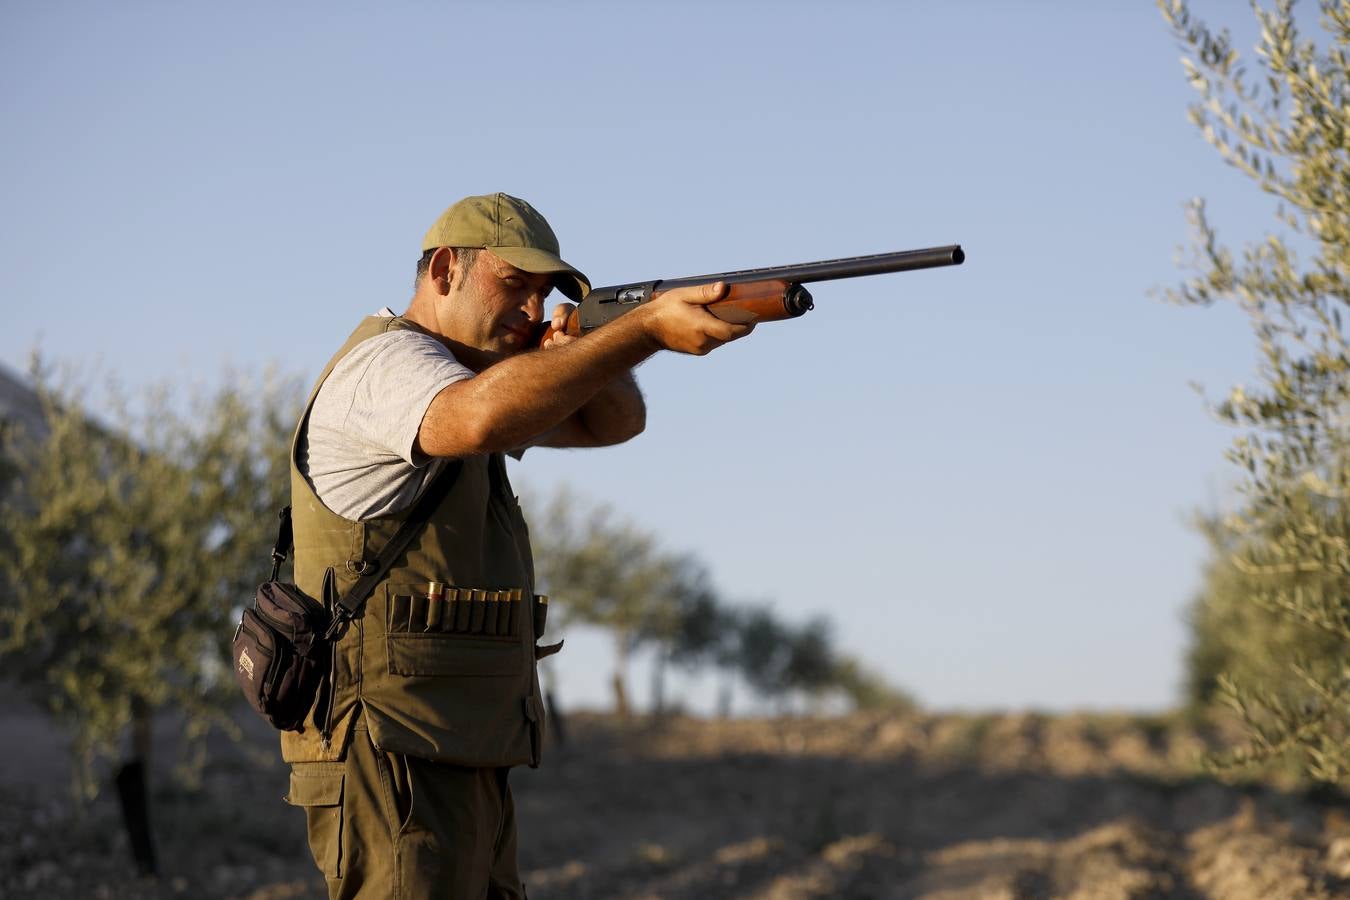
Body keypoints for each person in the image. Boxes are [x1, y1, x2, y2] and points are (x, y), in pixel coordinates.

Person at [281, 193, 754, 899]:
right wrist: (644, 331)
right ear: (444, 269)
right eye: (515, 286)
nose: (533, 313)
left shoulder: (468, 374)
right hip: (391, 749)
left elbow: (611, 424)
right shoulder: (390, 366)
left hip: (454, 738)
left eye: (543, 296)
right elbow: (478, 419)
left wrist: (587, 349)